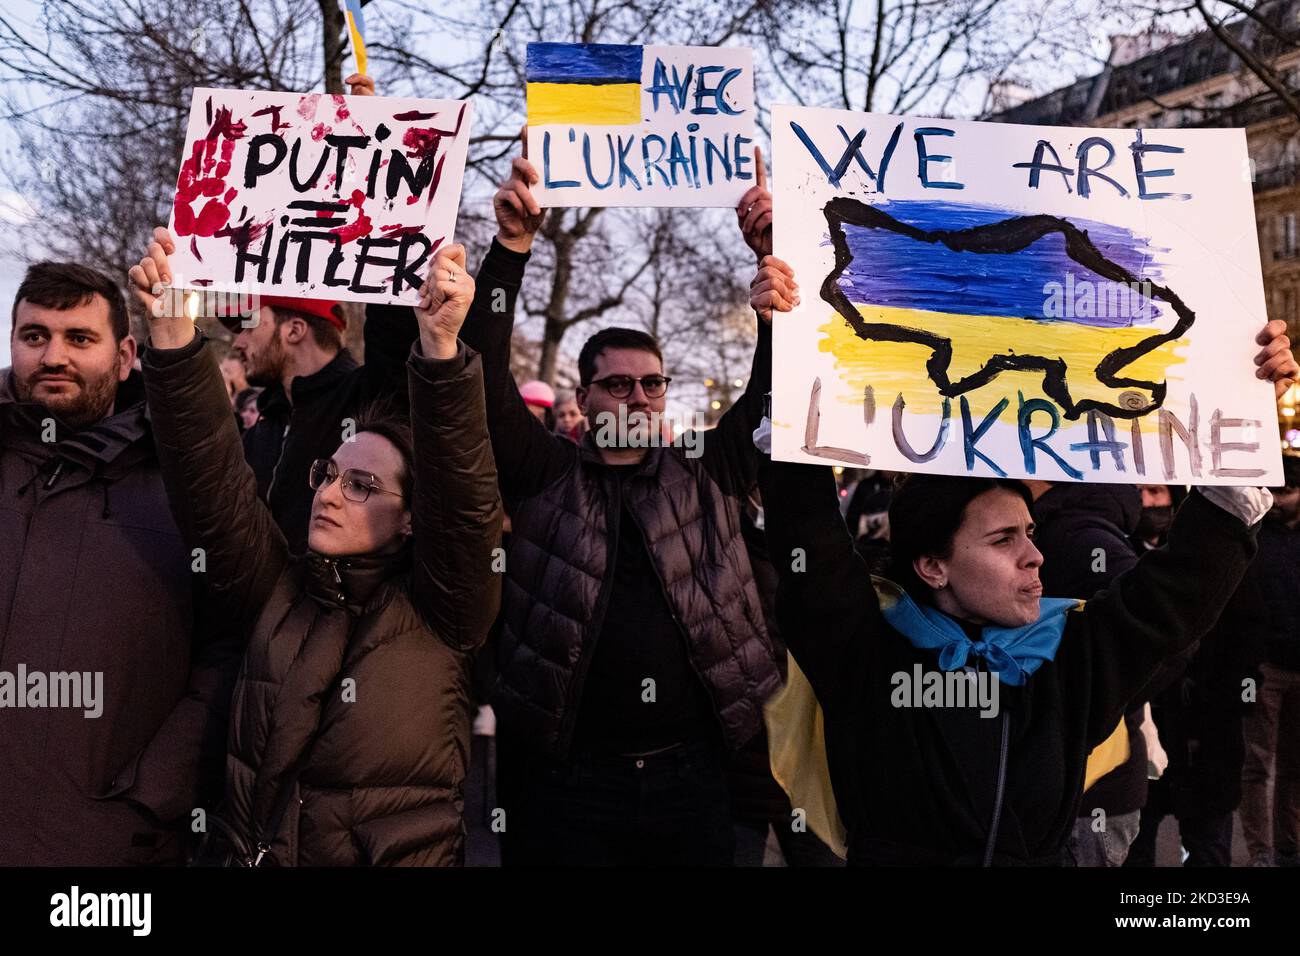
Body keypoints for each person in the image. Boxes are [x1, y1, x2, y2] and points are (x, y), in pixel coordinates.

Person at [754, 274, 1297, 864]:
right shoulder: (864, 650)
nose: (1035, 556)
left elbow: (1176, 594)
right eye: (1003, 538)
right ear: (933, 565)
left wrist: (1244, 407)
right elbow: (804, 522)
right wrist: (785, 338)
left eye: (1030, 533)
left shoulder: (1067, 659)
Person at [130, 232, 503, 865]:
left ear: (414, 518)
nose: (329, 494)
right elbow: (213, 491)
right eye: (328, 474)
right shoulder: (281, 589)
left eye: (361, 485)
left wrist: (441, 350)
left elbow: (466, 502)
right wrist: (171, 341)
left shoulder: (447, 612)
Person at [461, 147, 781, 866]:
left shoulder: (708, 472)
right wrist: (511, 250)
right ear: (583, 399)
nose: (638, 397)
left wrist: (771, 275)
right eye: (618, 385)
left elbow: (773, 400)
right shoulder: (545, 472)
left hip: (690, 776)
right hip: (563, 784)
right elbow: (477, 372)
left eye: (653, 384)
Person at [1, 262, 241, 865]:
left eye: (80, 338)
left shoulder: (182, 482)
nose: (53, 355)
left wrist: (157, 794)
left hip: (110, 850)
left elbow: (232, 643)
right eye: (35, 337)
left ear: (126, 354)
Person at [1024, 479, 1148, 866]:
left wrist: (1079, 702)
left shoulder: (1080, 535)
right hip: (1070, 784)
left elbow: (1156, 639)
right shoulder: (1061, 526)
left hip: (1090, 795)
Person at [1238, 454, 1300, 866]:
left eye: (1286, 492)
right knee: (1256, 765)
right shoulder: (1253, 534)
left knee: (1295, 768)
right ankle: (1262, 854)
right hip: (1266, 666)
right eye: (1272, 491)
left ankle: (1289, 848)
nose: (1276, 500)